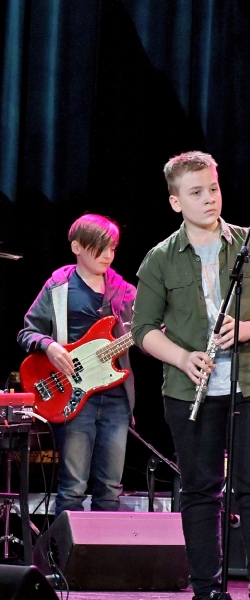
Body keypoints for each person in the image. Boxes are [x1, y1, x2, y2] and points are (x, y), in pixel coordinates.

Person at [132, 151, 250, 600]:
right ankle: (205, 598)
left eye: (214, 189)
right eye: (196, 192)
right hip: (190, 391)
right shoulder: (160, 258)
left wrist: (248, 328)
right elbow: (142, 329)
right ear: (175, 201)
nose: (209, 199)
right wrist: (183, 357)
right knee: (200, 491)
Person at [18, 214, 136, 516]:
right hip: (71, 395)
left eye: (113, 248)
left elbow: (148, 335)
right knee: (72, 488)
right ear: (77, 247)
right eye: (100, 247)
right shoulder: (58, 286)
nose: (108, 255)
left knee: (110, 490)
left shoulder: (125, 292)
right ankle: (64, 549)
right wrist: (50, 346)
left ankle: (106, 549)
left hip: (116, 398)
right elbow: (27, 332)